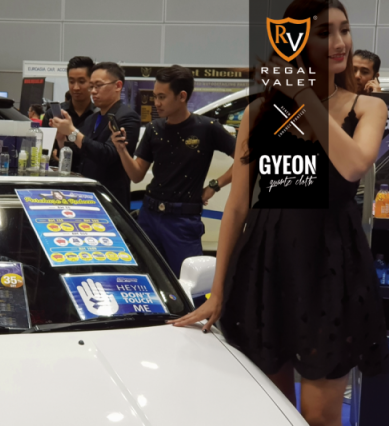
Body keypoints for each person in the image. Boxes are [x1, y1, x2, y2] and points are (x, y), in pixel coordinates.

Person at [171, 1, 389, 425]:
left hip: (330, 267)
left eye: (345, 30)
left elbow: (352, 164)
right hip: (265, 264)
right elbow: (237, 206)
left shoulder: (367, 107)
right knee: (273, 411)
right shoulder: (258, 113)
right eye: (324, 33)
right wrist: (218, 291)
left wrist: (304, 95)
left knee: (319, 417)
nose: (340, 42)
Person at [111, 65, 235, 278]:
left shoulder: (207, 127)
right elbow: (136, 175)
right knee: (149, 280)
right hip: (149, 216)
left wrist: (215, 185)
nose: (156, 103)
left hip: (182, 222)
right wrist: (121, 149)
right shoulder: (154, 129)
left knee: (189, 284)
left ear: (182, 96)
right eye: (155, 96)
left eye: (162, 97)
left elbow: (246, 159)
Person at [52, 62, 140, 209]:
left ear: (118, 86)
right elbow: (80, 157)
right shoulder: (92, 119)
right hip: (85, 196)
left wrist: (72, 131)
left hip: (110, 197)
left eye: (98, 85)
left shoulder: (127, 117)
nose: (93, 91)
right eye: (91, 86)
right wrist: (62, 140)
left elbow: (108, 155)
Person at [43, 56, 98, 170]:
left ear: (91, 82)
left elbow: (98, 154)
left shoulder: (99, 115)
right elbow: (44, 153)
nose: (76, 87)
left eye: (82, 82)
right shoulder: (54, 114)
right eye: (71, 81)